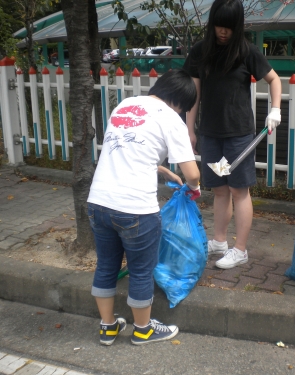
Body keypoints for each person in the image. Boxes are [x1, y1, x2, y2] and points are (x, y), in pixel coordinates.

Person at [87, 69, 201, 346]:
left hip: (98, 202)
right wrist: (195, 189)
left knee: (106, 266)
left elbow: (128, 149)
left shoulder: (126, 105)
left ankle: (108, 327)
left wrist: (161, 169)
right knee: (140, 270)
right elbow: (193, 174)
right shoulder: (171, 119)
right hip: (136, 209)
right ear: (180, 103)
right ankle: (143, 329)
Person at [183, 0, 282, 269]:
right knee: (220, 190)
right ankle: (219, 241)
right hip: (211, 134)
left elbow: (274, 79)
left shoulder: (246, 52)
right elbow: (195, 93)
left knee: (239, 191)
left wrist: (275, 109)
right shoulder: (201, 51)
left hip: (238, 136)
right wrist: (190, 129)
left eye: (228, 27)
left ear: (237, 26)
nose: (222, 32)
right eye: (218, 25)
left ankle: (240, 249)